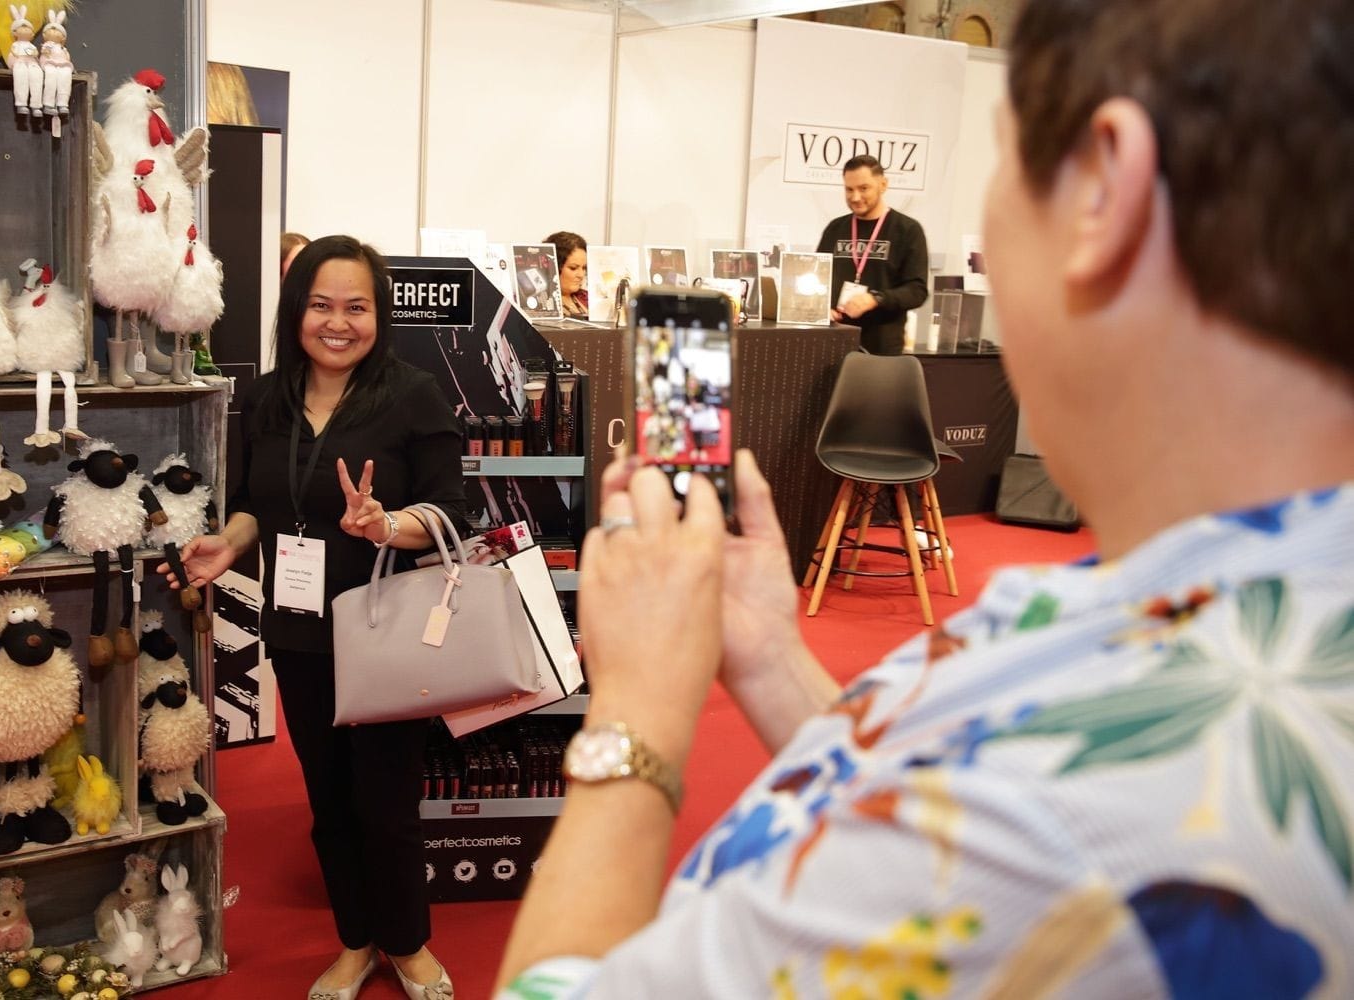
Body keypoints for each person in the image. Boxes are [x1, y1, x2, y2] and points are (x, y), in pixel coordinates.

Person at [497, 0, 1354, 995]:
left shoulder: (1042, 827)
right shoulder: (1220, 610)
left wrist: (632, 717)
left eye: (1003, 163)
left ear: (1102, 192)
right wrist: (773, 656)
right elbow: (927, 775)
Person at [160, 236, 464, 1000]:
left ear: (378, 315)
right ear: (296, 311)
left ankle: (408, 943)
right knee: (327, 798)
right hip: (298, 632)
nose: (338, 323)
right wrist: (225, 547)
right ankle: (357, 941)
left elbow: (449, 514)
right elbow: (254, 507)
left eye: (356, 307)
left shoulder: (413, 395)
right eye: (321, 305)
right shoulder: (263, 397)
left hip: (384, 626)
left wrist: (385, 524)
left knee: (386, 800)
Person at [816, 154, 928, 355]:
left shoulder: (907, 230)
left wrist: (876, 299)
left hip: (881, 349)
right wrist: (821, 309)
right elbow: (818, 279)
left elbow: (917, 291)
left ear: (883, 185)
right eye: (849, 189)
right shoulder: (835, 229)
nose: (855, 197)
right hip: (833, 342)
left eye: (863, 188)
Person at [545, 230, 588, 318]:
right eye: (573, 268)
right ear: (555, 266)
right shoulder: (535, 303)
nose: (581, 275)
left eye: (584, 268)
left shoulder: (588, 298)